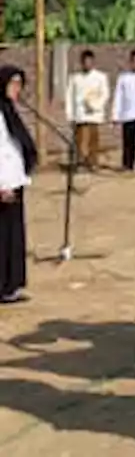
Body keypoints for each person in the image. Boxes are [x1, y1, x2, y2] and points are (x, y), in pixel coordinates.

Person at [0, 67, 36, 304]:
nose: (17, 89)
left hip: (15, 180)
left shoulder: (9, 110)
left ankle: (9, 286)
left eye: (19, 84)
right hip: (4, 185)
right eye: (12, 83)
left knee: (13, 236)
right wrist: (2, 185)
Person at [65, 49, 110, 171]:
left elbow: (105, 94)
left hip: (94, 114)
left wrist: (95, 105)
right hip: (80, 114)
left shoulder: (100, 77)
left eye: (89, 62)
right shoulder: (75, 78)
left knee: (93, 139)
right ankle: (81, 162)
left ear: (93, 62)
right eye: (85, 62)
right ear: (81, 63)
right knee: (80, 139)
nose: (87, 64)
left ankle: (93, 162)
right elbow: (69, 96)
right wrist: (70, 115)